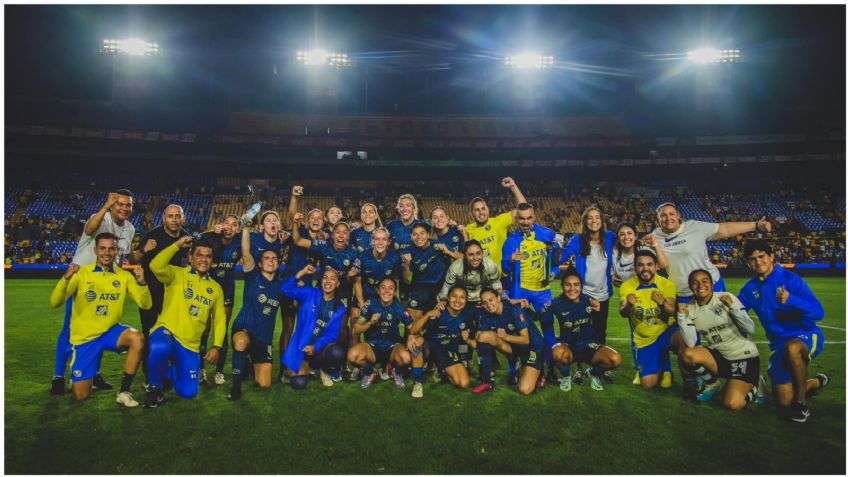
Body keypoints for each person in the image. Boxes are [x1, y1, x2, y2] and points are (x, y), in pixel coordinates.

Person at [49, 233, 150, 406]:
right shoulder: (81, 274)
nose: (107, 253)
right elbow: (55, 302)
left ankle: (124, 392)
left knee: (138, 338)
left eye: (112, 248)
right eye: (103, 248)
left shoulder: (124, 276)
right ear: (95, 250)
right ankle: (76, 363)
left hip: (110, 332)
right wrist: (66, 278)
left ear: (117, 251)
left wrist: (142, 283)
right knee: (82, 396)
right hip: (85, 338)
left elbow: (145, 304)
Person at [52, 189, 136, 395]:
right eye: (120, 204)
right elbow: (89, 230)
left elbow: (120, 257)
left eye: (128, 205)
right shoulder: (101, 217)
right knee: (69, 329)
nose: (124, 208)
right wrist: (106, 205)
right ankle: (58, 376)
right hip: (83, 281)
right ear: (113, 205)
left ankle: (95, 374)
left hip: (106, 284)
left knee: (102, 328)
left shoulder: (130, 229)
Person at [738, 239, 828, 422]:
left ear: (771, 257)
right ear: (748, 263)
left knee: (793, 347)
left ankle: (801, 406)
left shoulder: (790, 279)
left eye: (762, 256)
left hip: (806, 335)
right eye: (752, 259)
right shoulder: (749, 289)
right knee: (784, 401)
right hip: (779, 345)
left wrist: (791, 300)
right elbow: (735, 312)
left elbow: (819, 312)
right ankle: (817, 382)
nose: (758, 262)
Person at [144, 236, 226, 408]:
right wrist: (176, 245)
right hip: (166, 331)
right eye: (199, 255)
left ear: (212, 260)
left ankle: (168, 372)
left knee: (188, 392)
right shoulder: (176, 273)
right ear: (191, 257)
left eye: (208, 256)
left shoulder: (216, 289)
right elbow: (155, 266)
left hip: (190, 344)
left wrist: (216, 346)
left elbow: (219, 320)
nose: (204, 259)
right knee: (160, 347)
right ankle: (154, 388)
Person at [650, 202, 772, 304]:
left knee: (722, 327)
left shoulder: (694, 227)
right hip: (682, 292)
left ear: (678, 215)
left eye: (672, 214)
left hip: (711, 285)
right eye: (663, 215)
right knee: (689, 332)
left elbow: (725, 229)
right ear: (658, 219)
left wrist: (756, 225)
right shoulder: (654, 237)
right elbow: (660, 265)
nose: (668, 218)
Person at [678, 269, 765, 410]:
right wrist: (681, 317)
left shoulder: (725, 298)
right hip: (721, 356)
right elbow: (690, 343)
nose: (700, 285)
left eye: (704, 281)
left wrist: (733, 307)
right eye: (695, 282)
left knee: (732, 404)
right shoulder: (690, 309)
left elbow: (750, 329)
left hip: (744, 356)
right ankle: (712, 383)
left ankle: (756, 385)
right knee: (687, 355)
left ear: (712, 284)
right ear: (690, 287)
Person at [226, 224, 286, 400]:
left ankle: (248, 364)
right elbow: (246, 252)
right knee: (242, 342)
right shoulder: (252, 275)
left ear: (278, 263)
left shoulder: (281, 284)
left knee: (264, 383)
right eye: (266, 258)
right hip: (244, 329)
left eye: (274, 258)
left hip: (263, 338)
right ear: (260, 263)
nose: (270, 260)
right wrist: (245, 228)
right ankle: (236, 388)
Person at [132, 204, 191, 385]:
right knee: (150, 337)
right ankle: (150, 378)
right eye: (170, 216)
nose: (174, 219)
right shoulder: (152, 236)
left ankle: (168, 375)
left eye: (177, 216)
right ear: (163, 217)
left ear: (183, 218)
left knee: (174, 337)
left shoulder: (187, 239)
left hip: (175, 300)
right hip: (152, 296)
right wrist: (144, 250)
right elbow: (132, 259)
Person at [557, 207, 616, 383]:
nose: (594, 220)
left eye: (597, 217)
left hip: (602, 295)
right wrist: (564, 265)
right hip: (583, 296)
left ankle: (599, 368)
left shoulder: (610, 237)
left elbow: (628, 245)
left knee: (600, 332)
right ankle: (578, 369)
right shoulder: (577, 240)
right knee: (580, 333)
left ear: (602, 221)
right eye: (590, 218)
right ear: (585, 222)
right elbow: (562, 259)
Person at [501, 202, 557, 382]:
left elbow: (555, 259)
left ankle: (551, 369)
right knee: (517, 331)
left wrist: (554, 272)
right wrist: (510, 260)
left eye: (528, 218)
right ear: (516, 219)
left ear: (534, 217)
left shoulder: (546, 234)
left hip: (542, 292)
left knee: (548, 330)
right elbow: (504, 269)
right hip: (520, 291)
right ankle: (514, 369)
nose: (525, 222)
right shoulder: (511, 241)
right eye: (521, 218)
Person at [611, 222, 670, 386]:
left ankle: (666, 371)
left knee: (660, 333)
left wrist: (655, 245)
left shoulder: (645, 249)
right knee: (636, 337)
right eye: (622, 234)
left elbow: (664, 265)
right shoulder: (616, 254)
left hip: (652, 296)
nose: (626, 237)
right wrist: (613, 279)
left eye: (629, 233)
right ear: (618, 238)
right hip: (633, 301)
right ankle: (640, 369)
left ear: (635, 236)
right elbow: (617, 276)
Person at [548, 269, 622, 392]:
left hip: (588, 346)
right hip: (568, 346)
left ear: (581, 287)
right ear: (562, 286)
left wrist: (598, 310)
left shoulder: (589, 300)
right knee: (556, 352)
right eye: (568, 285)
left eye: (576, 285)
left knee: (615, 359)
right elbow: (538, 316)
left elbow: (599, 323)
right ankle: (566, 376)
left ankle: (593, 373)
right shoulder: (556, 303)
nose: (572, 289)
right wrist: (524, 306)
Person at [620, 249, 681, 391]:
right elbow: (623, 313)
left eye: (649, 264)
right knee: (648, 384)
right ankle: (664, 368)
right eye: (640, 265)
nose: (645, 268)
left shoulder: (667, 284)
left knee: (684, 340)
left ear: (656, 266)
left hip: (667, 331)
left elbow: (672, 310)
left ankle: (691, 381)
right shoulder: (627, 286)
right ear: (635, 267)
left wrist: (662, 303)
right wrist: (628, 304)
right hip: (645, 340)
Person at [437, 240, 503, 372]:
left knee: (483, 330)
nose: (475, 258)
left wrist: (499, 296)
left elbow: (496, 283)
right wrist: (443, 300)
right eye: (471, 254)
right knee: (463, 330)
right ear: (465, 255)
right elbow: (447, 286)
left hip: (482, 301)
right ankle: (465, 362)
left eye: (478, 253)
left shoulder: (489, 265)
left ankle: (490, 361)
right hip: (464, 302)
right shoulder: (456, 267)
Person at [280, 264, 347, 390]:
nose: (328, 281)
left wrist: (315, 347)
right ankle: (308, 367)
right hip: (303, 346)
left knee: (337, 352)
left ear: (338, 284)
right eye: (325, 277)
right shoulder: (310, 293)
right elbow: (285, 289)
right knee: (298, 383)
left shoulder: (340, 307)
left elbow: (331, 335)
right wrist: (302, 272)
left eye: (332, 279)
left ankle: (325, 370)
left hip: (321, 349)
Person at [469, 288, 546, 395]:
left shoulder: (514, 309)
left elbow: (526, 340)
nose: (488, 305)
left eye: (491, 300)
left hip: (532, 347)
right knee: (483, 336)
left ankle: (540, 371)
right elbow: (479, 337)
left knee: (524, 389)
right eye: (484, 302)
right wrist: (470, 339)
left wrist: (505, 337)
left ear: (499, 298)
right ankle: (486, 381)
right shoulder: (486, 314)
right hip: (514, 347)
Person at [405, 285, 473, 398]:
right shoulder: (439, 312)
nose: (457, 300)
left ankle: (441, 371)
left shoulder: (467, 316)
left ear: (466, 300)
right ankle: (418, 382)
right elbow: (413, 330)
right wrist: (427, 315)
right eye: (454, 296)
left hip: (447, 352)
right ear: (448, 298)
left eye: (462, 297)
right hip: (430, 349)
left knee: (463, 383)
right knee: (417, 342)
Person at [347, 278, 413, 390]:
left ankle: (395, 371)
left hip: (392, 347)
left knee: (406, 358)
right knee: (352, 356)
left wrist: (411, 335)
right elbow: (356, 330)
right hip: (372, 348)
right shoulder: (370, 304)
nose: (387, 291)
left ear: (395, 292)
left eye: (390, 288)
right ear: (378, 291)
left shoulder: (399, 307)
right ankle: (370, 371)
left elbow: (412, 326)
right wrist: (370, 323)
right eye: (383, 287)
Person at [199, 214, 242, 385]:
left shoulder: (239, 243)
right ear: (221, 225)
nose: (229, 227)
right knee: (203, 332)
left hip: (227, 293)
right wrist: (210, 231)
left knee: (221, 332)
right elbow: (195, 241)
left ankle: (219, 372)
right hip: (206, 292)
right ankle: (200, 369)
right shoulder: (210, 238)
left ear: (238, 229)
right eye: (227, 223)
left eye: (234, 225)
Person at [464, 177, 526, 276]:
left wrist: (513, 186)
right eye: (477, 210)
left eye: (483, 208)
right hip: (481, 279)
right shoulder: (467, 230)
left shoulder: (498, 222)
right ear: (471, 215)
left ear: (488, 209)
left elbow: (524, 210)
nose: (481, 212)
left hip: (502, 277)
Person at [402, 222, 452, 321]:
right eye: (415, 234)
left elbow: (461, 257)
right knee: (413, 323)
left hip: (440, 289)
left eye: (422, 233)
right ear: (411, 236)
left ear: (428, 234)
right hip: (419, 290)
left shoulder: (438, 246)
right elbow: (407, 281)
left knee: (439, 321)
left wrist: (448, 251)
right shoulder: (408, 252)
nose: (418, 237)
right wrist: (407, 264)